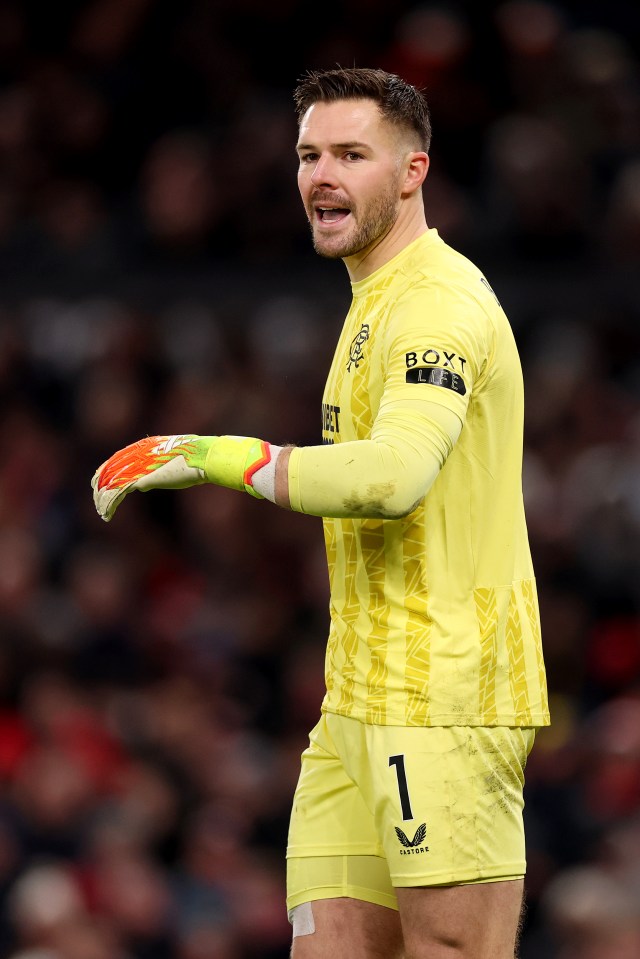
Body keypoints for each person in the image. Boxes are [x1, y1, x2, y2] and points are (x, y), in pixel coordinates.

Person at [92, 66, 550, 959]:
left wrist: (214, 455)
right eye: (309, 155)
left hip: (446, 697)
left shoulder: (436, 305)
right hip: (355, 702)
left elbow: (394, 476)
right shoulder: (374, 297)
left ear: (413, 171)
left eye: (351, 154)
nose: (322, 175)